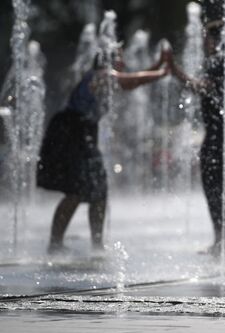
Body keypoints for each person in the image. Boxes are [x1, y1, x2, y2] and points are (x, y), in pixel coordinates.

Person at [37, 47, 170, 254]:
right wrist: (161, 72)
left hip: (83, 134)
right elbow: (130, 80)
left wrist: (160, 66)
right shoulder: (101, 75)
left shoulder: (109, 78)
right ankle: (55, 244)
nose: (124, 63)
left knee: (99, 191)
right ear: (109, 62)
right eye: (120, 58)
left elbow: (132, 81)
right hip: (71, 134)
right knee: (74, 191)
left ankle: (97, 245)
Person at [169, 18, 225, 255]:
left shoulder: (221, 62)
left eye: (206, 37)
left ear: (214, 39)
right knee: (221, 185)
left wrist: (175, 71)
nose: (203, 42)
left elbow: (202, 87)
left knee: (218, 184)